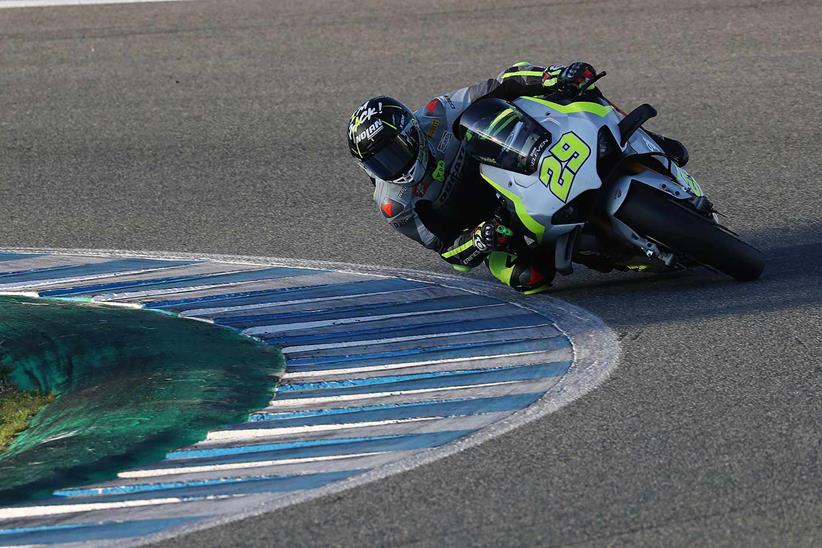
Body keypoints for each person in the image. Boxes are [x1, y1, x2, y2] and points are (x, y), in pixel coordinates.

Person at [346, 62, 688, 294]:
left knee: (570, 90)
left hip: (514, 158)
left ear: (411, 132)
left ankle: (647, 141)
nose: (391, 166)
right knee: (528, 279)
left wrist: (554, 76)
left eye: (393, 152)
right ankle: (616, 254)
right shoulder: (394, 204)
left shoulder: (436, 115)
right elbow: (448, 252)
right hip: (491, 220)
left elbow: (502, 82)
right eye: (379, 163)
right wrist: (481, 239)